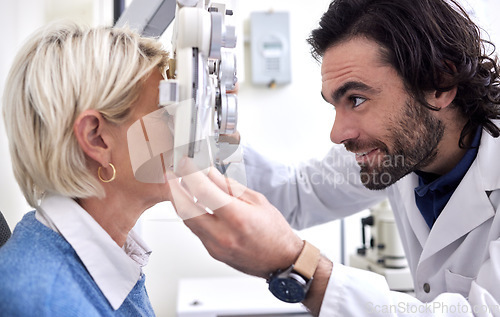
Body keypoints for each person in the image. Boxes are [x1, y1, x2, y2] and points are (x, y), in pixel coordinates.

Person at [169, 0, 500, 316]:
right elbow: (296, 194)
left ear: (438, 84)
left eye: (356, 100)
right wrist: (217, 137)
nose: (338, 133)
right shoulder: (395, 154)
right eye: (334, 105)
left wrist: (300, 265)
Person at [0, 22, 174, 316]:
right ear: (97, 138)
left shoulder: (109, 250)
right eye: (165, 114)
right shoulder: (44, 302)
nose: (179, 130)